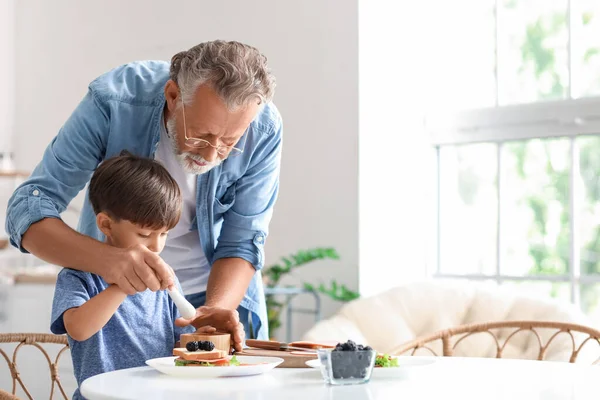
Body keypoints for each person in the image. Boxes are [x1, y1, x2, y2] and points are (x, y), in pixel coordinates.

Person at [5, 40, 282, 344]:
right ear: (173, 96)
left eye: (230, 142)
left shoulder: (264, 127)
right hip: (118, 300)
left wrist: (213, 310)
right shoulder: (115, 100)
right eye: (201, 135)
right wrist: (110, 262)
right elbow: (28, 209)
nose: (213, 153)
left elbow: (241, 242)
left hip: (212, 296)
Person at [51, 152, 217, 400]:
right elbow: (79, 329)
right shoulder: (78, 276)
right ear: (107, 225)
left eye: (164, 234)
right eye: (144, 234)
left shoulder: (166, 283)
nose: (156, 246)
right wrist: (123, 285)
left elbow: (178, 347)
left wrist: (198, 341)